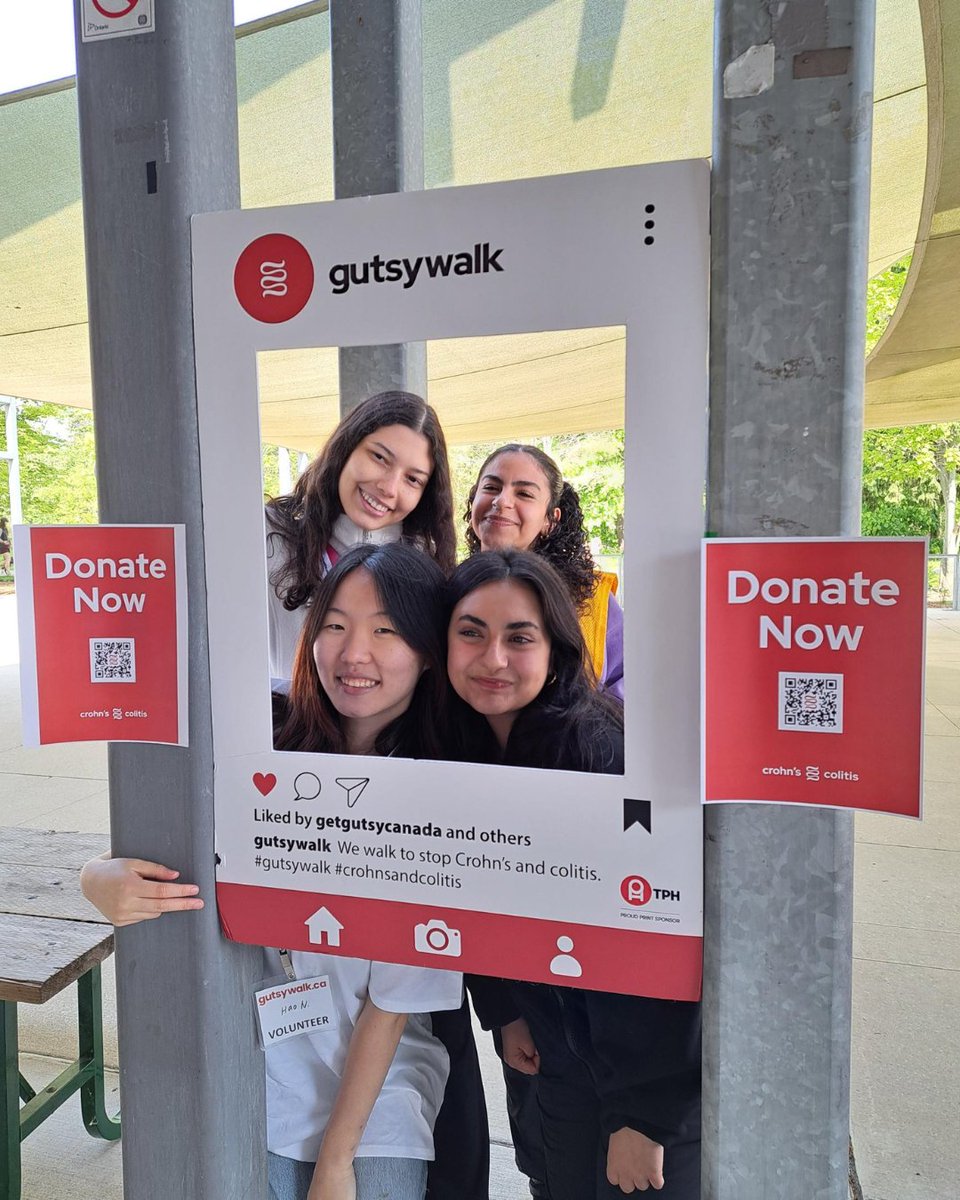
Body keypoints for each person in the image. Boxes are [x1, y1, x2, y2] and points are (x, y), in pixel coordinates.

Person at [84, 544, 468, 1200]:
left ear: (428, 651)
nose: (354, 653)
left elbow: (392, 1005)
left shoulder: (443, 787)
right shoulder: (261, 731)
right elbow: (164, 838)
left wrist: (336, 1163)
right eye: (335, 625)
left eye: (386, 631)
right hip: (253, 1071)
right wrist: (98, 877)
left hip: (377, 1099)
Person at [446, 550, 701, 1200]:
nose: (493, 658)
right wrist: (505, 1010)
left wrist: (642, 1116)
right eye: (471, 632)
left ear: (556, 648)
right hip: (560, 1063)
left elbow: (654, 937)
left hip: (640, 1090)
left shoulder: (594, 753)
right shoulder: (460, 754)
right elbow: (476, 900)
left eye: (519, 638)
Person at [266, 390, 456, 681]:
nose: (389, 488)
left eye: (412, 479)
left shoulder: (427, 568)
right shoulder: (270, 535)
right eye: (379, 457)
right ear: (346, 449)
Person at [464, 444, 622, 700]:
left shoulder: (593, 602)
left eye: (524, 493)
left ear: (550, 520)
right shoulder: (448, 590)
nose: (501, 501)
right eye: (491, 487)